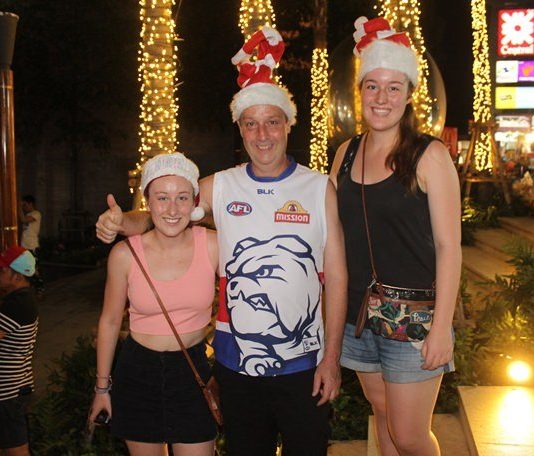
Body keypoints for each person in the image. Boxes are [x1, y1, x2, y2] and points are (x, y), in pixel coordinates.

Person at [96, 26, 347, 456]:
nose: (262, 134)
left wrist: (331, 359)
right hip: (235, 365)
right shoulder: (221, 186)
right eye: (251, 123)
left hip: (305, 363)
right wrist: (121, 223)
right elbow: (165, 214)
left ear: (289, 124)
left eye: (272, 122)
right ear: (240, 129)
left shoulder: (319, 187)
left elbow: (338, 278)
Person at [330, 17, 461, 456]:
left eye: (393, 87)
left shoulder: (429, 155)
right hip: (358, 316)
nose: (381, 98)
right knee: (383, 415)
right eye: (372, 86)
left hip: (416, 319)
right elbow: (328, 229)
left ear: (408, 94)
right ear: (360, 91)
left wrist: (441, 328)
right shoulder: (346, 153)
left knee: (408, 435)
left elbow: (449, 248)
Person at [89, 153, 218, 455]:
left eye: (182, 197)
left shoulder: (213, 245)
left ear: (194, 203)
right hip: (138, 373)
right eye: (162, 198)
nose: (172, 209)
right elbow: (109, 321)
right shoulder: (124, 255)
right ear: (148, 201)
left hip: (192, 372)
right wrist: (102, 388)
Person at [0, 246, 38, 456]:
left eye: (2, 270)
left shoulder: (18, 303)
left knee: (16, 449)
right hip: (14, 386)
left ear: (17, 276)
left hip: (8, 390)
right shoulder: (20, 298)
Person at [18, 195, 44, 296]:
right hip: (24, 246)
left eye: (25, 205)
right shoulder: (28, 214)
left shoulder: (36, 214)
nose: (24, 207)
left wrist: (18, 207)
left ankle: (40, 289)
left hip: (32, 246)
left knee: (35, 269)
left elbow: (24, 220)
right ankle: (30, 289)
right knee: (25, 269)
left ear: (30, 204)